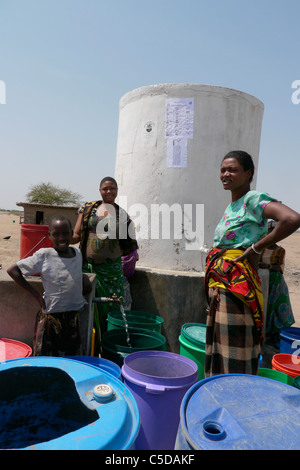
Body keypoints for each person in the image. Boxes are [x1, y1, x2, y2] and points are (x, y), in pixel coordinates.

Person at [204, 150, 300, 376]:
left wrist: (257, 248)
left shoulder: (253, 199)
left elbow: (292, 219)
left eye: (233, 170)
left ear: (248, 174)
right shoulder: (234, 205)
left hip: (237, 286)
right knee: (219, 346)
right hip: (222, 284)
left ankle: (236, 396)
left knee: (235, 349)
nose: (225, 174)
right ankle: (217, 392)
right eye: (222, 170)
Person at [7, 215, 90, 356]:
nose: (61, 238)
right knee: (47, 357)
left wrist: (84, 280)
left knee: (71, 357)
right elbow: (12, 270)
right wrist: (37, 295)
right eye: (56, 234)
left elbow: (73, 272)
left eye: (65, 233)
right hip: (52, 318)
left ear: (72, 234)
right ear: (49, 236)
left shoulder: (77, 253)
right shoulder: (45, 255)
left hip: (73, 318)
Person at [72, 177, 138, 346]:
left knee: (114, 307)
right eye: (105, 189)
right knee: (89, 306)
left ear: (117, 190)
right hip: (89, 268)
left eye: (112, 188)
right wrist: (59, 240)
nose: (109, 192)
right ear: (100, 190)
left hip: (112, 271)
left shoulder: (122, 214)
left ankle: (109, 343)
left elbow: (128, 243)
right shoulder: (88, 209)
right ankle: (91, 343)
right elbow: (77, 235)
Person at [259, 220, 295, 350]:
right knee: (265, 308)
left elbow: (280, 268)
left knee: (278, 309)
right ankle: (266, 336)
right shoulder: (259, 248)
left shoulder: (280, 250)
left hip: (277, 282)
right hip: (262, 281)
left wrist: (267, 266)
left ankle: (275, 337)